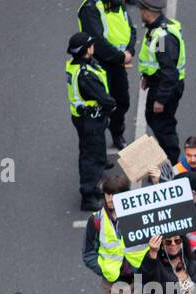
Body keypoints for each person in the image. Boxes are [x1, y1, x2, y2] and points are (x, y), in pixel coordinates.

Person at [76, 0, 135, 150]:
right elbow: (98, 42)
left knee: (122, 101)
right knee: (100, 107)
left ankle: (117, 134)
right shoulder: (90, 8)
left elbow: (131, 29)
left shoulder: (118, 4)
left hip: (117, 64)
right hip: (99, 66)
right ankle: (97, 151)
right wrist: (122, 56)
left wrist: (129, 51)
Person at [65, 32, 114, 212]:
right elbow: (102, 96)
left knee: (93, 151)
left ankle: (98, 173)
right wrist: (111, 105)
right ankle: (89, 195)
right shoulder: (86, 74)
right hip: (90, 120)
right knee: (90, 157)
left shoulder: (76, 66)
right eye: (91, 45)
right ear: (87, 50)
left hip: (85, 119)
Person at [136, 0, 185, 163]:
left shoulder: (163, 38)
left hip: (165, 88)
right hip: (158, 84)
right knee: (154, 120)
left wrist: (161, 99)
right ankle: (164, 159)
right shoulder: (155, 29)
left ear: (147, 11)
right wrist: (147, 78)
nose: (140, 13)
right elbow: (155, 61)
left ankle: (171, 164)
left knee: (164, 127)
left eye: (141, 9)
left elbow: (169, 72)